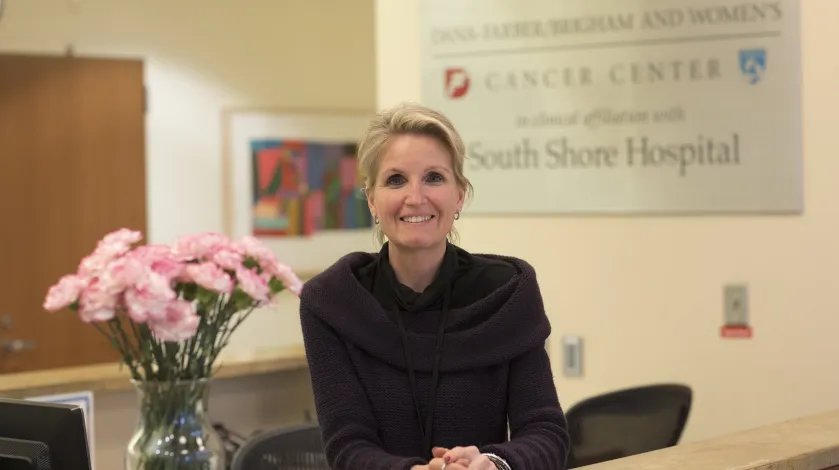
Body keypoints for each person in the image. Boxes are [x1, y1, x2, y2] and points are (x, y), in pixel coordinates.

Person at [298, 102, 570, 470]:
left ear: (459, 195)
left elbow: (546, 432)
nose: (415, 197)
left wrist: (494, 463)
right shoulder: (332, 302)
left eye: (434, 177)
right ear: (372, 200)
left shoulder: (508, 293)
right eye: (396, 180)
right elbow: (347, 446)